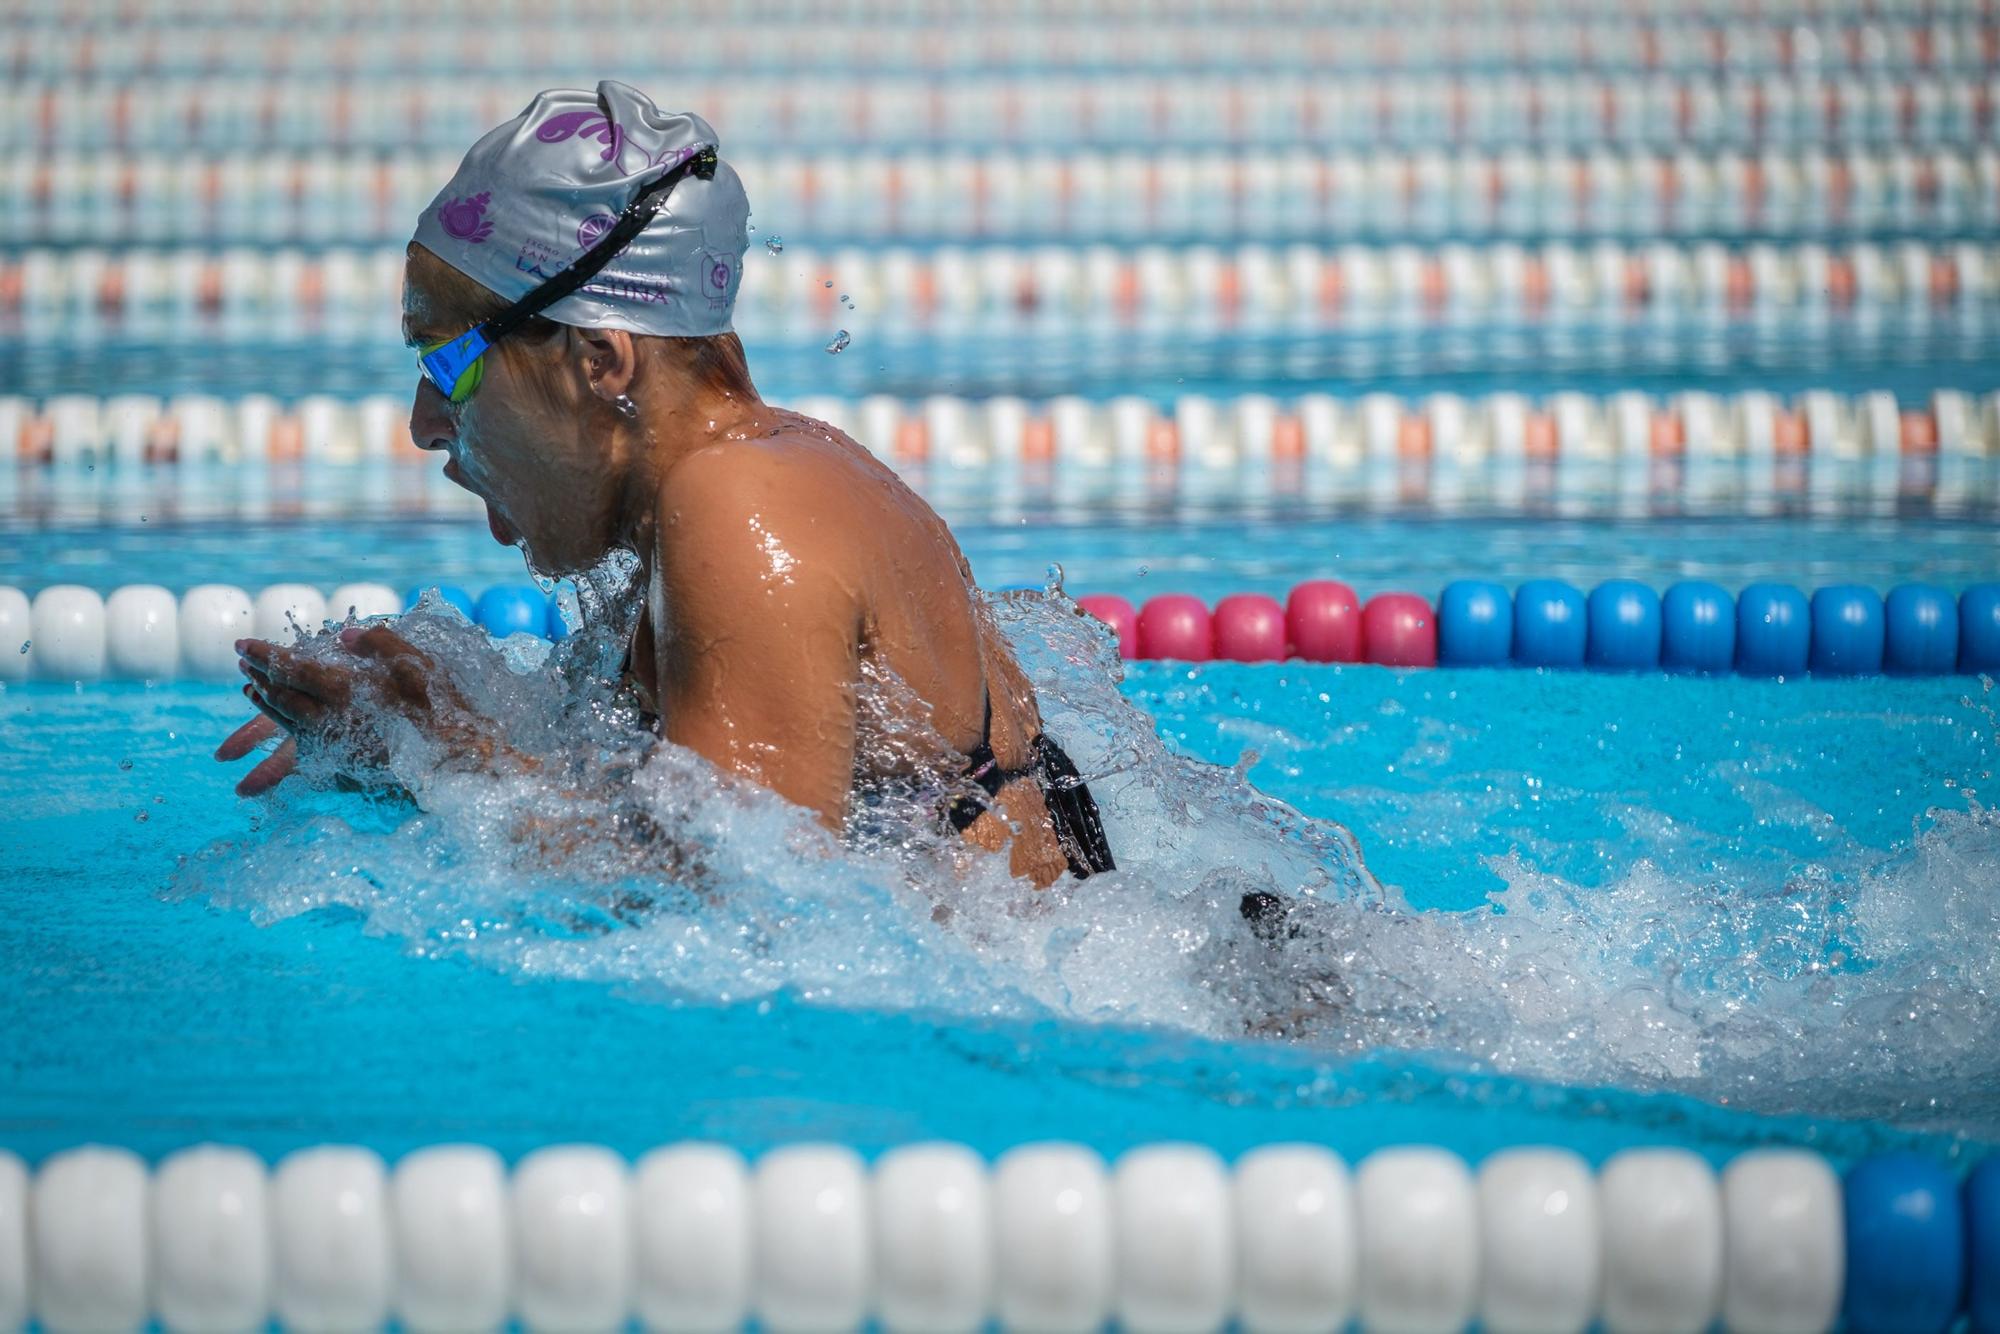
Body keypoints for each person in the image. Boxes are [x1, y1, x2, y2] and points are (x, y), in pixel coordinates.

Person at [216, 80, 1113, 888]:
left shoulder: (737, 505)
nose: (424, 421)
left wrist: (445, 756)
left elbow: (748, 903)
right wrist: (404, 738)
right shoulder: (757, 470)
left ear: (602, 359)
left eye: (448, 363)